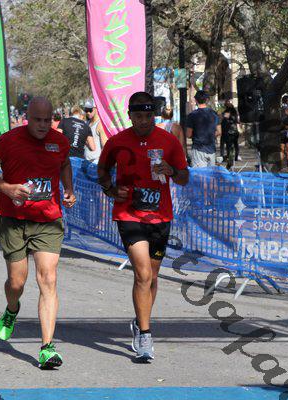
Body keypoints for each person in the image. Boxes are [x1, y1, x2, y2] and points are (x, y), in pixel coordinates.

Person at [0, 97, 76, 369]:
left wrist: (68, 188)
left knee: (48, 279)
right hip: (13, 219)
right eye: (37, 120)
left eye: (47, 120)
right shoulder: (9, 141)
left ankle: (47, 348)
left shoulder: (59, 141)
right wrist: (6, 188)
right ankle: (12, 308)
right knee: (16, 283)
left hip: (48, 219)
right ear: (26, 118)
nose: (42, 125)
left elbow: (64, 164)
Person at [97, 91, 189, 361]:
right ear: (130, 116)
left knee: (152, 277)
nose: (144, 121)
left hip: (160, 217)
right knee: (143, 274)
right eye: (138, 116)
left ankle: (140, 321)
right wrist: (111, 190)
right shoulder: (117, 142)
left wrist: (172, 171)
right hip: (129, 215)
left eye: (148, 116)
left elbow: (184, 177)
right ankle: (146, 335)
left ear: (154, 116)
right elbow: (102, 171)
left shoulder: (168, 141)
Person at [185, 90, 221, 167]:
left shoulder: (192, 115)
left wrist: (197, 135)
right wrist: (210, 135)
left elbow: (188, 134)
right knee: (211, 173)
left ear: (196, 100)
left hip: (198, 150)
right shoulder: (214, 114)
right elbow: (219, 131)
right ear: (207, 100)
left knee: (199, 174)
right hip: (211, 149)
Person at [220, 100, 241, 164]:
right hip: (235, 130)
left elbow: (225, 120)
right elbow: (237, 121)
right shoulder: (235, 112)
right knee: (235, 144)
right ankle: (236, 157)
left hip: (228, 131)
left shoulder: (227, 111)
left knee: (226, 145)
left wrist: (221, 117)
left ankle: (226, 157)